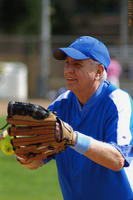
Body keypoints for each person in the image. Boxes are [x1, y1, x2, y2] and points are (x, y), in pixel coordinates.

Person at [16, 36, 133, 200]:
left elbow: (117, 159)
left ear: (99, 72)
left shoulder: (117, 101)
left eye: (77, 64)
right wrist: (21, 150)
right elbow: (36, 161)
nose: (68, 70)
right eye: (67, 63)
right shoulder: (60, 105)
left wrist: (73, 138)